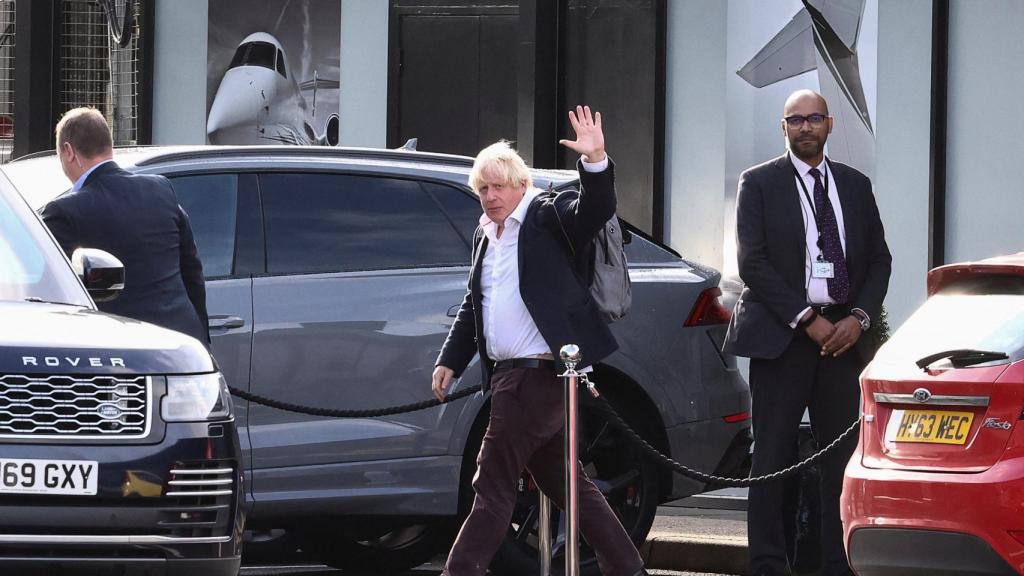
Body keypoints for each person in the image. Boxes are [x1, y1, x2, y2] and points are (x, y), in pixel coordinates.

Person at [431, 106, 647, 576]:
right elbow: (476, 303)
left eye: (498, 187)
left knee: (491, 484)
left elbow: (594, 209)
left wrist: (595, 161)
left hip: (537, 376)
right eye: (482, 189)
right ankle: (628, 568)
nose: (490, 197)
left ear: (520, 185)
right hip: (513, 377)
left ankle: (460, 570)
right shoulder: (485, 236)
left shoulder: (546, 215)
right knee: (569, 486)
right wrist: (450, 359)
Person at [723, 89, 891, 576]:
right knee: (772, 458)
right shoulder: (758, 183)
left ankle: (837, 566)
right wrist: (806, 319)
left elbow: (879, 260)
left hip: (843, 337)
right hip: (783, 337)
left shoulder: (855, 185)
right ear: (784, 128)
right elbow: (751, 261)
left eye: (813, 118)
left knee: (841, 459)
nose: (805, 127)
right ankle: (769, 566)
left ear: (829, 124)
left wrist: (857, 318)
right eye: (794, 120)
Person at [41, 107, 210, 345]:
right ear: (108, 145)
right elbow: (192, 271)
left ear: (68, 151)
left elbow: (47, 285)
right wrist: (202, 340)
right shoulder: (160, 189)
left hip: (121, 350)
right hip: (182, 343)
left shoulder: (64, 211)